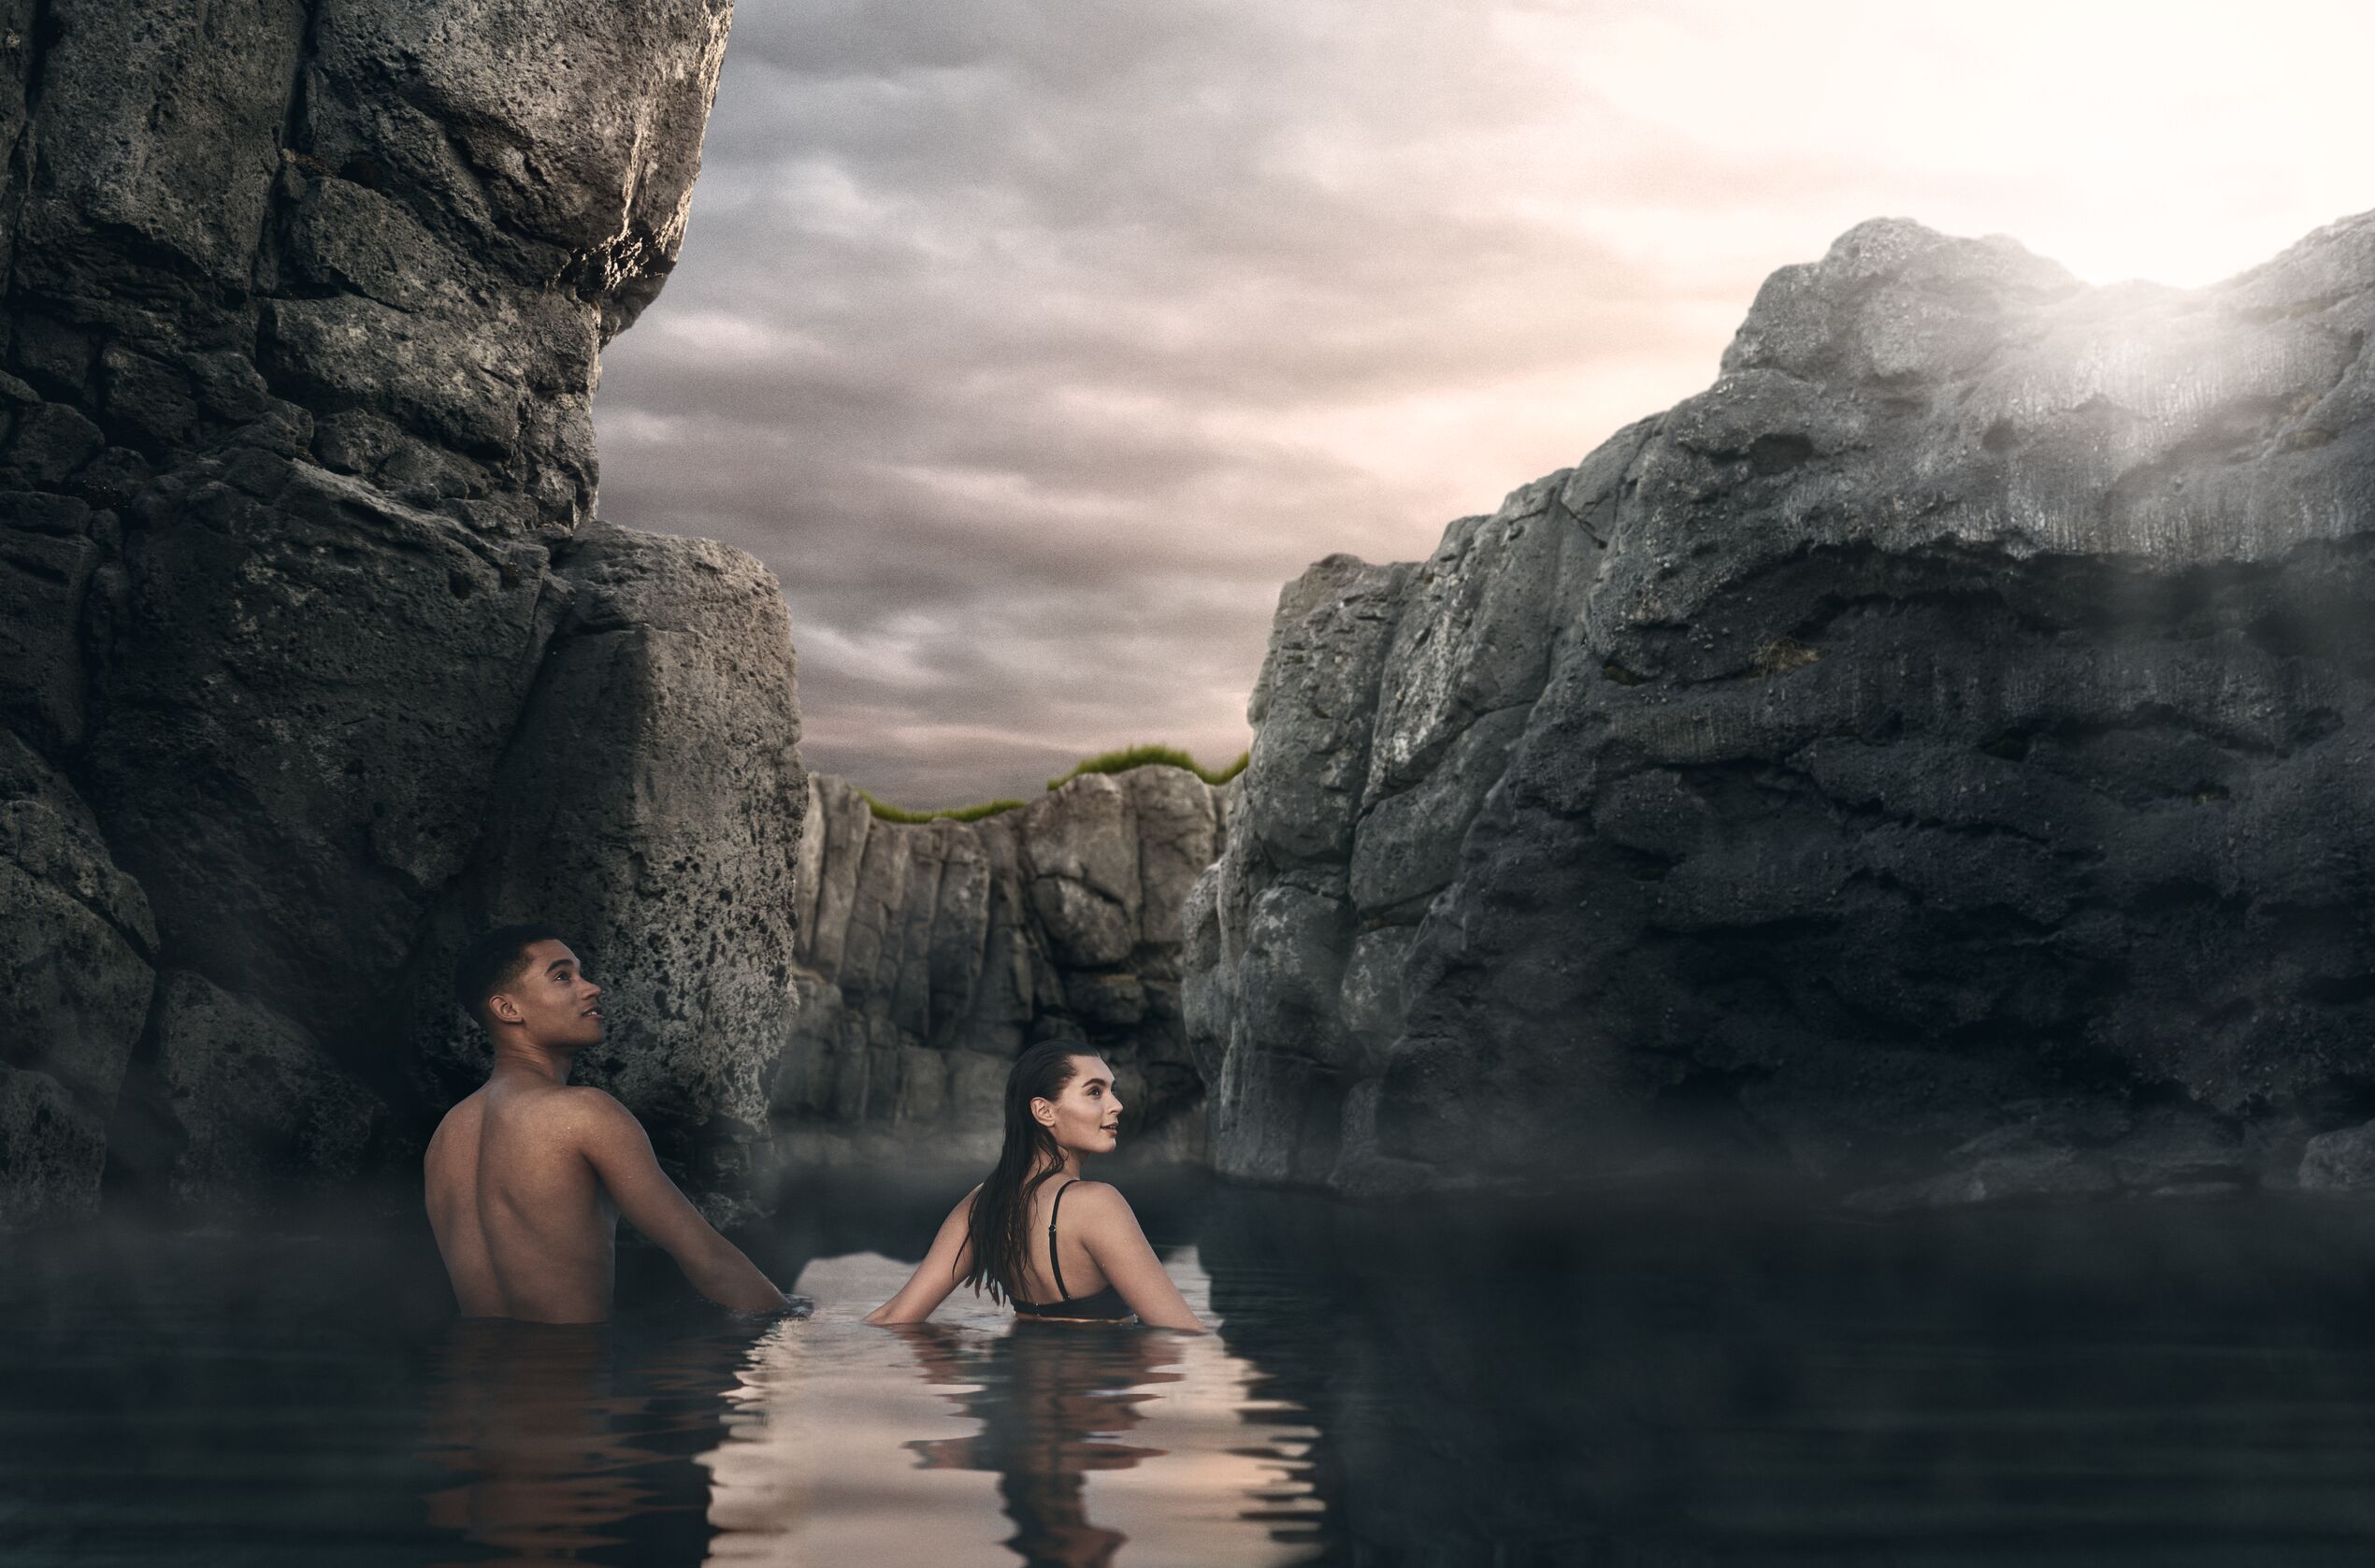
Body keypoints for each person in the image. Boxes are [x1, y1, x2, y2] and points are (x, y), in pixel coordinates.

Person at [424, 924, 798, 1323]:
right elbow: (709, 1260)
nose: (592, 988)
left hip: (474, 1378)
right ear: (508, 1009)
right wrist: (804, 1329)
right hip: (568, 1379)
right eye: (563, 976)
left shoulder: (447, 1136)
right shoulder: (584, 1113)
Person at [862, 1039, 1205, 1331]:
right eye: (1095, 1092)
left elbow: (896, 1317)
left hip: (1017, 1399)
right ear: (1044, 1111)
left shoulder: (985, 1202)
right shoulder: (1098, 1204)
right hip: (1091, 1402)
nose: (1116, 1105)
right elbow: (1181, 1332)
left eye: (1112, 1091)